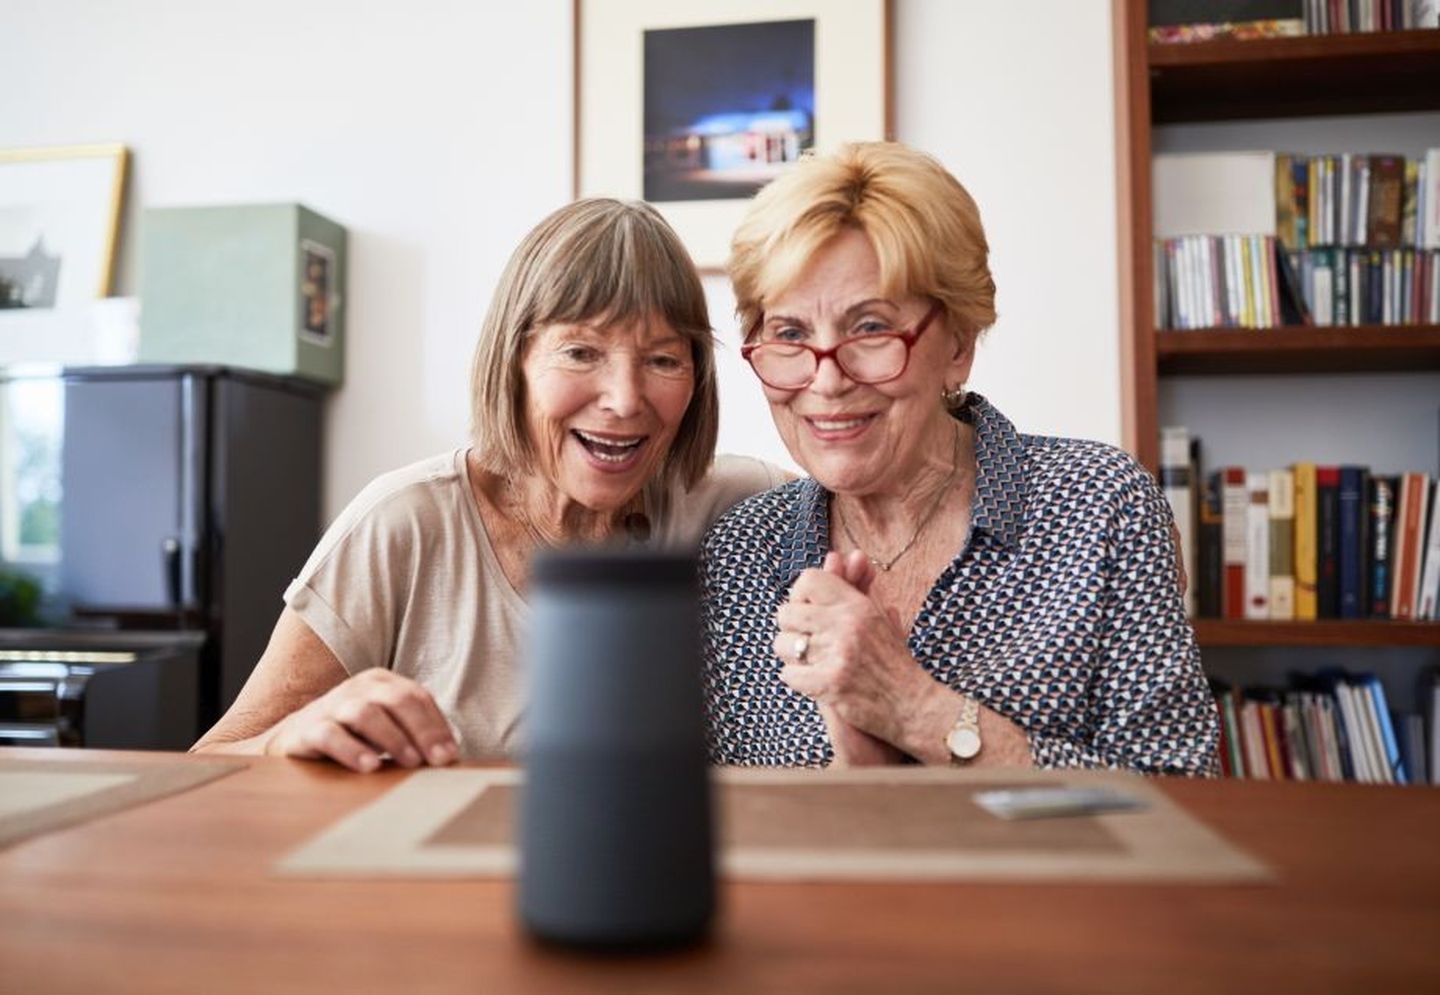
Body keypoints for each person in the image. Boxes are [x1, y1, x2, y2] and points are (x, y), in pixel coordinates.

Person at [193, 199, 783, 771]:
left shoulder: (735, 505)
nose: (625, 400)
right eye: (580, 352)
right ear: (515, 361)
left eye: (662, 360)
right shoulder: (404, 524)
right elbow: (209, 767)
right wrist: (287, 740)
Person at [701, 142, 1219, 775]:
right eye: (789, 334)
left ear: (958, 346)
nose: (827, 380)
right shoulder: (739, 554)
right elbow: (731, 830)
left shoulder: (1098, 505)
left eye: (869, 328)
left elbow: (1179, 797)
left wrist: (914, 707)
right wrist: (860, 773)